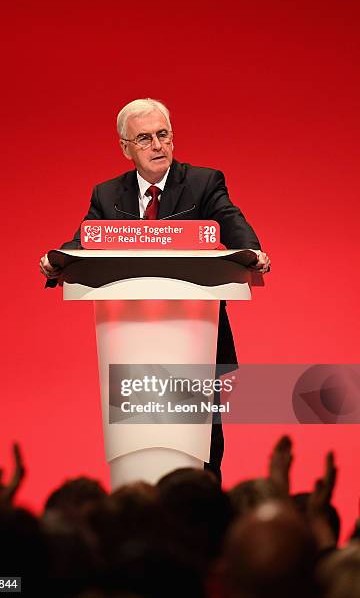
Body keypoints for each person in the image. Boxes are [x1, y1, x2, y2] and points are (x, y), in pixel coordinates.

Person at [40, 98, 270, 481]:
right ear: (125, 147)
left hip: (197, 337)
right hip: (132, 343)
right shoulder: (107, 195)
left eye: (163, 135)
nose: (157, 145)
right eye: (144, 138)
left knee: (203, 438)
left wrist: (254, 250)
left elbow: (230, 218)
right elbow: (85, 241)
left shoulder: (203, 182)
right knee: (140, 441)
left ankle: (205, 510)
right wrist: (56, 262)